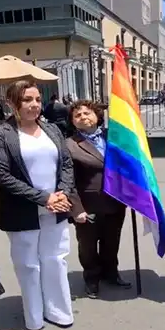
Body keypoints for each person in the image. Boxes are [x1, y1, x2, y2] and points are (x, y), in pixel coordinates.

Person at [0, 80, 77, 330]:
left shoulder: (53, 130)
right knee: (28, 264)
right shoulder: (0, 135)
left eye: (37, 99)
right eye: (27, 100)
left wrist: (62, 193)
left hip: (55, 209)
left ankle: (58, 311)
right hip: (22, 211)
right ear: (12, 103)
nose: (34, 105)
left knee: (56, 259)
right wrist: (43, 198)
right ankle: (34, 316)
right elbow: (1, 176)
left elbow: (66, 164)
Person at [64, 99, 131, 298]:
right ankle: (91, 278)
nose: (83, 117)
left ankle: (111, 273)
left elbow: (128, 165)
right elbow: (68, 180)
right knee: (88, 246)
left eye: (87, 113)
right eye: (77, 115)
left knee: (112, 242)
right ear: (73, 122)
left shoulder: (115, 137)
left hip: (115, 202)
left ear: (97, 116)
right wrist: (76, 209)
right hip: (87, 205)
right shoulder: (69, 145)